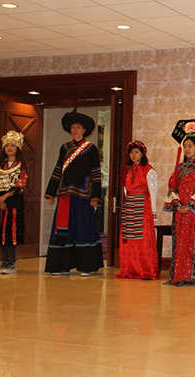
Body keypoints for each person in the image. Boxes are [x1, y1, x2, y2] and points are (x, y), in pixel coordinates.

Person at [44, 108, 103, 276]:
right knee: (63, 230)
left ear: (84, 130)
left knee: (83, 229)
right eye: (73, 127)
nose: (75, 130)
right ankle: (62, 265)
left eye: (78, 127)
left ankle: (86, 266)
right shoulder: (64, 148)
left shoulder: (90, 149)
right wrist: (51, 192)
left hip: (83, 196)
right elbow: (58, 170)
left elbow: (95, 173)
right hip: (65, 195)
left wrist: (96, 195)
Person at [163, 119, 195, 286]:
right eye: (185, 146)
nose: (187, 149)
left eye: (190, 146)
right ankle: (179, 274)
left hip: (194, 213)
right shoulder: (180, 168)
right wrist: (177, 204)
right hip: (180, 212)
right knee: (180, 244)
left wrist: (190, 206)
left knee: (193, 243)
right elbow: (172, 186)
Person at [115, 140, 160, 280]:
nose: (133, 155)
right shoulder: (127, 170)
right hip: (130, 206)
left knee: (143, 239)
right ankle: (130, 269)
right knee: (129, 239)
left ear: (142, 153)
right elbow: (125, 189)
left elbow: (153, 191)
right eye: (131, 153)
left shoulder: (149, 170)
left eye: (136, 152)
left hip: (143, 206)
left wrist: (153, 211)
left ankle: (146, 270)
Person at [0, 130, 28, 274]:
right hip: (0, 204)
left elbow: (20, 184)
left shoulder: (21, 166)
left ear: (17, 147)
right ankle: (4, 261)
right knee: (0, 233)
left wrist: (5, 196)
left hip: (13, 204)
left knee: (10, 234)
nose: (10, 148)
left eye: (12, 145)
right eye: (7, 145)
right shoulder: (0, 166)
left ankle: (12, 262)